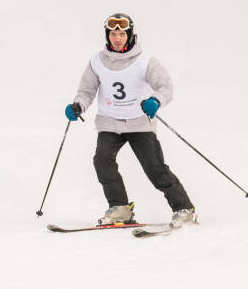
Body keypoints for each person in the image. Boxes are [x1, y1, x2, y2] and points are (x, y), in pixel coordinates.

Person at [64, 13, 196, 226]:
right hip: (109, 122)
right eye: (113, 34)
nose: (117, 39)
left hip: (139, 123)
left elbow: (165, 87)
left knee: (154, 167)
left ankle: (184, 208)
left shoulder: (144, 61)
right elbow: (86, 91)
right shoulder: (97, 61)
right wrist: (78, 105)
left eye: (122, 34)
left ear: (130, 35)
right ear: (107, 36)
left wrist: (155, 101)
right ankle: (120, 208)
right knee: (102, 161)